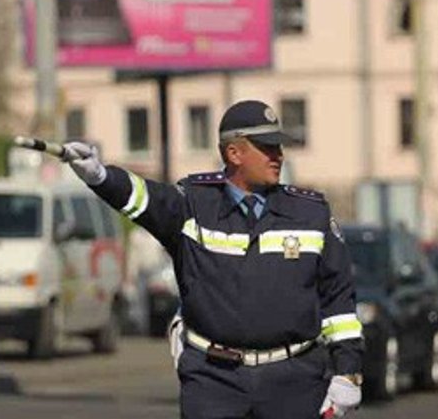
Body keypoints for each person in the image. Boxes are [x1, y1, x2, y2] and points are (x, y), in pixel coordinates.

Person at [62, 100, 364, 419]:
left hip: (294, 381)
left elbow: (339, 300)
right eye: (267, 147)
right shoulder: (193, 205)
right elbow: (143, 197)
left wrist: (348, 372)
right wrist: (99, 175)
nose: (278, 156)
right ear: (234, 153)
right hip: (214, 381)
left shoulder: (310, 213)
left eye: (278, 147)